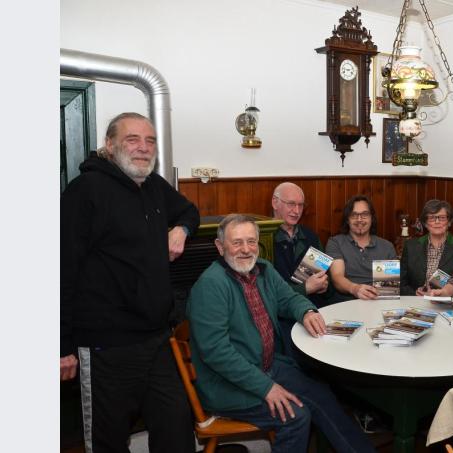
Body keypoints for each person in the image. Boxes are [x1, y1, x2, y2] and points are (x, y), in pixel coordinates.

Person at [60, 112, 199, 452]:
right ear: (109, 145)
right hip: (106, 346)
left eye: (150, 141)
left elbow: (189, 212)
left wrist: (180, 230)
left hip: (157, 340)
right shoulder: (85, 191)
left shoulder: (151, 185)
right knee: (108, 441)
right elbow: (61, 270)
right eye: (133, 140)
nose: (143, 148)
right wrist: (61, 346)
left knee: (177, 428)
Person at [187, 214, 375, 453]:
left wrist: (306, 311)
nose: (246, 249)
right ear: (220, 246)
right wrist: (266, 387)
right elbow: (217, 354)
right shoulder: (210, 286)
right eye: (237, 243)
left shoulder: (263, 269)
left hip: (267, 365)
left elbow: (289, 298)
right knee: (296, 416)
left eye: (251, 241)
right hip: (228, 384)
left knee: (322, 394)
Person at [271, 182, 331, 307]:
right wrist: (305, 288)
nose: (297, 211)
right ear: (275, 203)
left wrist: (324, 284)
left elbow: (325, 275)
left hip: (315, 307)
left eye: (301, 205)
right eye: (291, 204)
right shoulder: (263, 239)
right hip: (282, 314)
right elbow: (267, 292)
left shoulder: (310, 236)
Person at [326, 195, 397, 302]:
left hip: (377, 302)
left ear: (372, 218)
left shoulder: (387, 247)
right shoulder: (335, 243)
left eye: (364, 214)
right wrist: (355, 289)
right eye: (354, 215)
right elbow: (337, 277)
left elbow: (388, 290)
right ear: (347, 219)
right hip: (345, 304)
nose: (359, 219)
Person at [400, 200, 453, 296]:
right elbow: (401, 283)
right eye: (432, 218)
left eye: (442, 218)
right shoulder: (411, 246)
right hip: (415, 303)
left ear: (449, 222)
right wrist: (414, 293)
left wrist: (444, 294)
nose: (437, 221)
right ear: (425, 223)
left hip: (447, 306)